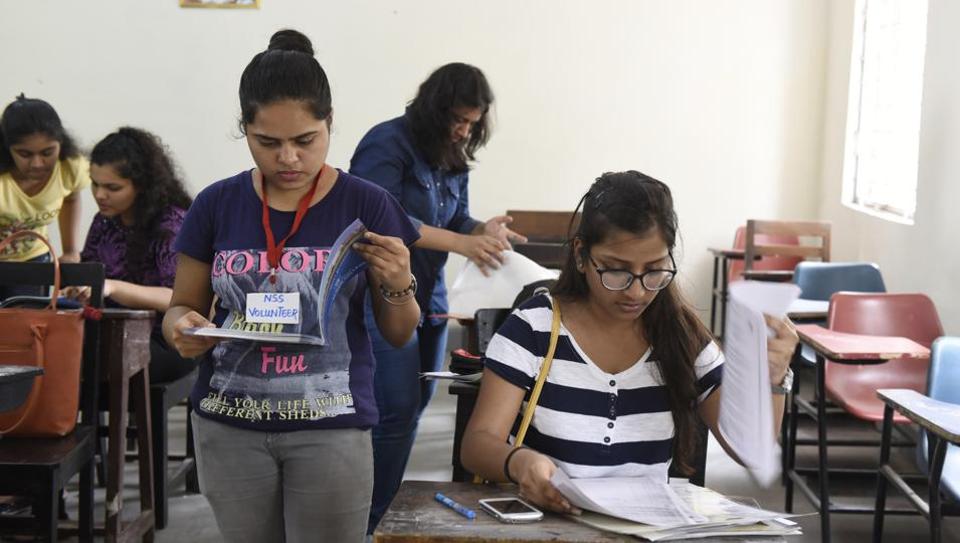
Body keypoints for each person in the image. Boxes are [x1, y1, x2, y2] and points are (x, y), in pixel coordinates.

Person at [161, 29, 420, 543]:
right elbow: (182, 307)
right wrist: (181, 328)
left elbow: (399, 333)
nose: (288, 159)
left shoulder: (366, 205)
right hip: (229, 420)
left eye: (305, 141)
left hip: (330, 423)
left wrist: (398, 284)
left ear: (329, 124)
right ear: (245, 130)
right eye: (268, 143)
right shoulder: (216, 204)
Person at [460, 171, 799, 514]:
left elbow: (750, 449)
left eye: (654, 270)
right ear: (581, 255)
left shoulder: (684, 336)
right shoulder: (534, 328)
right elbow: (477, 443)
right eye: (615, 270)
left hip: (645, 529)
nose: (636, 291)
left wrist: (772, 376)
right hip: (553, 524)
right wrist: (520, 462)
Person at [349, 62, 528, 530]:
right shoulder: (386, 143)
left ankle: (376, 514)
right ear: (434, 108)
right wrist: (463, 243)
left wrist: (481, 230)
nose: (463, 130)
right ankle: (369, 519)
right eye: (457, 119)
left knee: (416, 405)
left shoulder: (452, 153)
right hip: (379, 291)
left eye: (472, 122)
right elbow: (378, 221)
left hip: (430, 294)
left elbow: (457, 218)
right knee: (394, 410)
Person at [65, 126, 195, 384]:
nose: (100, 195)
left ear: (142, 185)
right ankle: (71, 424)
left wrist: (113, 287)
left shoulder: (171, 223)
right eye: (95, 184)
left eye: (112, 187)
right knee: (56, 353)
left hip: (165, 339)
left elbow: (178, 298)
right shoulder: (104, 222)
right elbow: (91, 278)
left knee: (95, 362)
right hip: (112, 332)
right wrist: (75, 291)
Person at [0, 94, 89, 297]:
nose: (37, 164)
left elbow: (71, 198)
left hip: (33, 260)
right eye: (25, 154)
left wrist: (70, 250)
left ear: (61, 144)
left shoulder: (70, 167)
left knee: (28, 322)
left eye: (48, 153)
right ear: (7, 149)